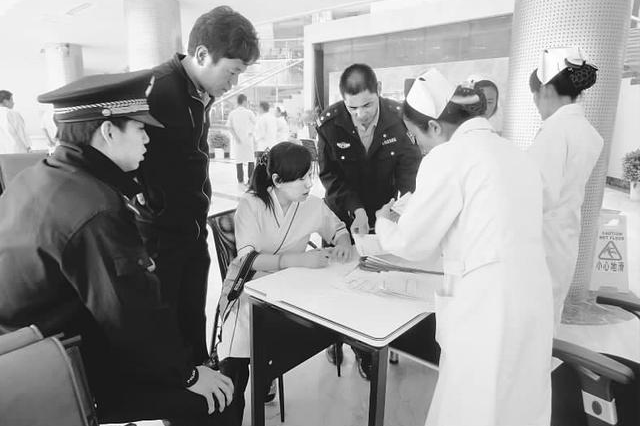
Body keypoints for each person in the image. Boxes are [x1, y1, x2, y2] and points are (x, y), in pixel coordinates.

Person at [0, 71, 235, 425]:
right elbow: (131, 314)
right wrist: (188, 375)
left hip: (23, 349)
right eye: (140, 128)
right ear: (108, 132)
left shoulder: (37, 176)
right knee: (216, 399)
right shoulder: (95, 208)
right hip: (58, 364)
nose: (148, 139)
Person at [375, 69, 554, 426]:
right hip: (533, 298)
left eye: (416, 136)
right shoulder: (515, 153)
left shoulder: (447, 157)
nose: (418, 146)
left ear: (435, 127)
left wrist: (384, 222)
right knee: (517, 403)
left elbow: (412, 242)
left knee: (472, 405)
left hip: (487, 305)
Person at [135, 6, 260, 368]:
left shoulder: (199, 93)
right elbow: (115, 151)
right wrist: (142, 197)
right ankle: (180, 386)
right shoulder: (156, 90)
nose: (232, 84)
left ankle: (199, 374)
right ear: (203, 55)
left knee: (193, 314)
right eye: (231, 72)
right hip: (159, 236)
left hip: (191, 229)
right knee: (166, 323)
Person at [216, 142, 353, 425]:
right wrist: (299, 260)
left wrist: (342, 242)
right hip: (248, 288)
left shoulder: (311, 204)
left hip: (292, 288)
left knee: (316, 324)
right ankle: (231, 406)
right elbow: (248, 259)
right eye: (301, 178)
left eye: (310, 175)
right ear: (277, 180)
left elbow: (338, 228)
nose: (309, 184)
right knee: (237, 350)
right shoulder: (252, 204)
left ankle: (268, 367)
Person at [316, 63, 422, 377]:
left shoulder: (399, 118)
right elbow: (330, 177)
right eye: (353, 108)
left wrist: (397, 210)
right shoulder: (330, 124)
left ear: (379, 92)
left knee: (374, 286)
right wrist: (356, 210)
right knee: (337, 282)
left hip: (385, 215)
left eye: (367, 105)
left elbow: (409, 173)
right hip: (343, 216)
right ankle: (334, 338)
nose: (361, 114)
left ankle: (366, 350)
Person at [527, 47, 603, 325]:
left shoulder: (554, 132)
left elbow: (538, 196)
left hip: (541, 243)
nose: (536, 104)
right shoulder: (588, 132)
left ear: (546, 90)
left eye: (535, 96)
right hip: (564, 238)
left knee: (532, 322)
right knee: (548, 317)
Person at [227, 94, 256, 185]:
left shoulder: (232, 113)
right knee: (250, 159)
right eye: (246, 101)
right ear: (244, 101)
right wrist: (251, 132)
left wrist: (236, 137)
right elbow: (256, 124)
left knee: (238, 160)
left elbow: (229, 127)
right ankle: (251, 179)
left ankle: (240, 180)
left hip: (237, 141)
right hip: (248, 139)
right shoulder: (249, 112)